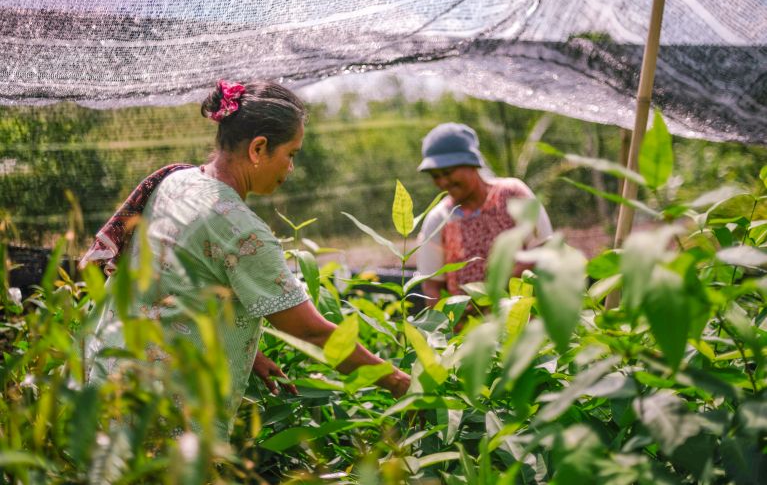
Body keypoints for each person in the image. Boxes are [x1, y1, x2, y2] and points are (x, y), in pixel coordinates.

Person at [81, 80, 409, 436]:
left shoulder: (176, 181)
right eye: (291, 154)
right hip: (162, 416)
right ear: (259, 148)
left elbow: (178, 281)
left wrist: (247, 353)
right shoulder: (241, 230)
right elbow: (312, 330)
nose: (291, 169)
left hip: (110, 376)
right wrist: (398, 383)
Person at [416, 122, 553, 307]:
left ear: (472, 163)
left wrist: (496, 290)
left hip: (523, 317)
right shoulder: (439, 219)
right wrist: (442, 328)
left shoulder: (512, 194)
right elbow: (432, 285)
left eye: (448, 172)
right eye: (435, 176)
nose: (443, 182)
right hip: (468, 331)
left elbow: (544, 247)